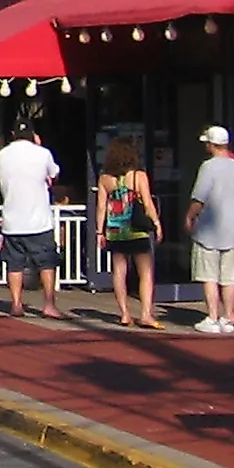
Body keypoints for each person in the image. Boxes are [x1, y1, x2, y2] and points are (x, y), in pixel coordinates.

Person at [186, 126, 234, 334]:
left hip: (209, 231)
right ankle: (228, 317)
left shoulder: (208, 167)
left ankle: (212, 317)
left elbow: (199, 197)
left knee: (209, 276)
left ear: (211, 145)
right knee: (229, 278)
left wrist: (189, 216)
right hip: (232, 229)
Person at [0, 123, 64, 318]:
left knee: (14, 264)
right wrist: (39, 145)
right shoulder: (42, 153)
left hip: (12, 219)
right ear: (33, 135)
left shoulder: (2, 155)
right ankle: (49, 304)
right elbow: (54, 174)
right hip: (38, 219)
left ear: (13, 134)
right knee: (46, 263)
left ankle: (16, 303)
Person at [99, 138, 163, 328]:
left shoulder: (105, 179)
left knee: (119, 271)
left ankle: (125, 314)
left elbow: (101, 207)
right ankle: (145, 314)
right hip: (137, 229)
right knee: (145, 272)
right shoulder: (139, 176)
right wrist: (157, 223)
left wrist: (98, 232)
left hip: (115, 230)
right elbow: (148, 203)